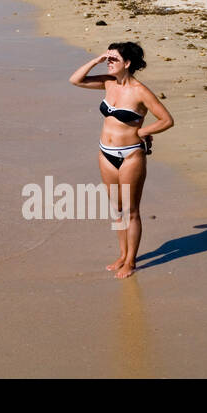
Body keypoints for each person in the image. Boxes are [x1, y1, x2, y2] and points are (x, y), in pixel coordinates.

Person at [69, 43, 174, 278]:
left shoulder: (140, 91)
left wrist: (143, 132)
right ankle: (122, 253)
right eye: (108, 58)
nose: (109, 62)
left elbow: (166, 120)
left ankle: (132, 261)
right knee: (117, 209)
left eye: (113, 59)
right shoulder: (108, 82)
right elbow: (75, 80)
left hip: (130, 156)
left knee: (131, 210)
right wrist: (97, 60)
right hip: (105, 153)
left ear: (127, 64)